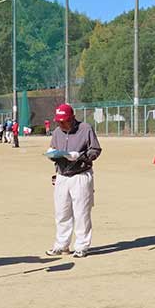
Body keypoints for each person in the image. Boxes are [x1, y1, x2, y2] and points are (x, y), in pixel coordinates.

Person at [45, 104, 102, 258]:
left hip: (81, 175)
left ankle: (82, 246)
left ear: (72, 118)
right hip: (62, 175)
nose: (61, 124)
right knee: (62, 212)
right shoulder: (57, 132)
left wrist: (81, 156)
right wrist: (52, 155)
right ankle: (61, 245)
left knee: (82, 212)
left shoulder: (85, 129)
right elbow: (53, 148)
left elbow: (95, 150)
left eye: (64, 121)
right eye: (58, 121)